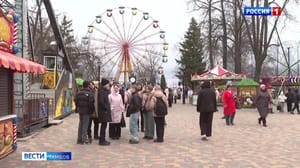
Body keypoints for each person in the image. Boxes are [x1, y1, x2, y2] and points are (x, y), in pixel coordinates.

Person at [98, 78, 112, 145]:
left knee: (104, 126)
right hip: (104, 112)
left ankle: (102, 139)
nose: (108, 85)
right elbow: (101, 101)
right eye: (107, 84)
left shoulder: (103, 90)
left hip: (104, 111)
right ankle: (102, 140)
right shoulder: (102, 91)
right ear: (105, 84)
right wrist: (106, 108)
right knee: (103, 126)